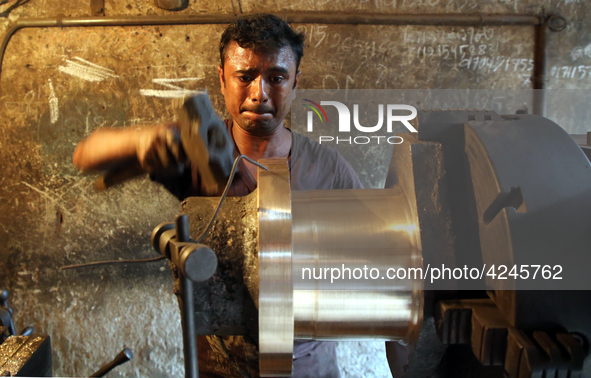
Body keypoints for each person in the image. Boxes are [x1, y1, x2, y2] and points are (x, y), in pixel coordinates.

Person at [73, 13, 363, 378]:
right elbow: (86, 155)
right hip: (218, 366)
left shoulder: (329, 170)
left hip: (306, 366)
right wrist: (147, 140)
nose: (260, 94)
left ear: (295, 83)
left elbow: (375, 263)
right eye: (244, 77)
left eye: (276, 78)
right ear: (222, 79)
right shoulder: (196, 151)